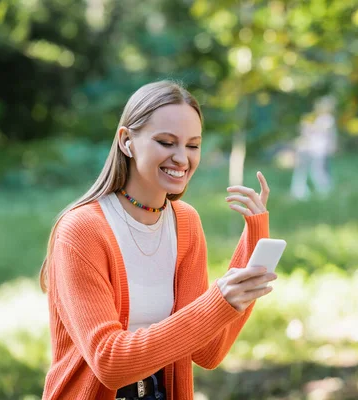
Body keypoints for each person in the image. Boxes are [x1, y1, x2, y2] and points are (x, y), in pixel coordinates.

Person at [39, 81, 277, 400]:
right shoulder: (81, 230)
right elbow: (110, 363)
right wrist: (217, 301)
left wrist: (252, 247)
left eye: (193, 145)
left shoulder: (185, 223)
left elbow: (207, 352)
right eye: (166, 142)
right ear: (127, 141)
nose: (182, 158)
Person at [290, 96, 337, 200]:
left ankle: (325, 190)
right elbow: (310, 134)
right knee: (313, 170)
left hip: (320, 150)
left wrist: (308, 126)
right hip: (313, 149)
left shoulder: (328, 119)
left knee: (318, 170)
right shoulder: (318, 119)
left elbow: (321, 130)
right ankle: (315, 190)